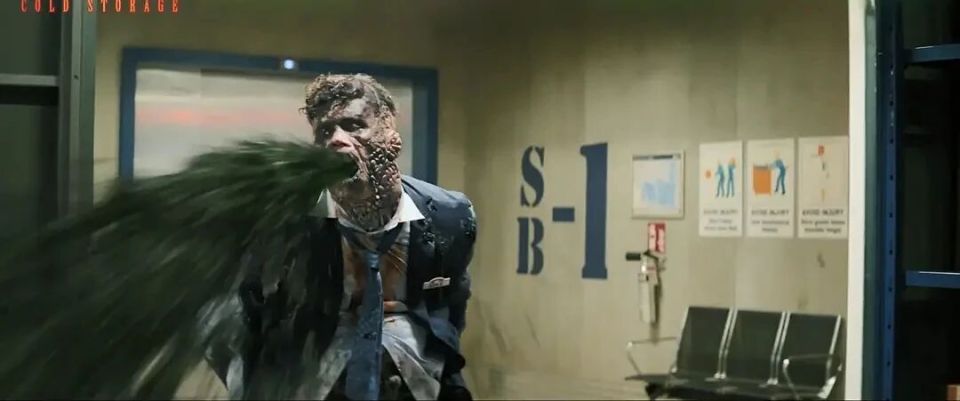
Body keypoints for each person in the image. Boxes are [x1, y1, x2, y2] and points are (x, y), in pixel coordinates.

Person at [208, 74, 477, 400]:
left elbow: (451, 306)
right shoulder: (284, 224)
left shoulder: (449, 217)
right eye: (324, 132)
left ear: (390, 134)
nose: (336, 140)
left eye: (353, 126)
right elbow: (229, 315)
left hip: (414, 385)